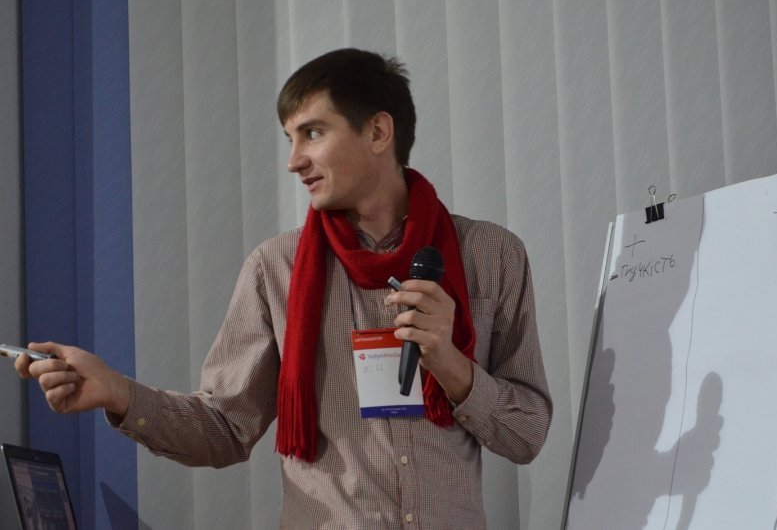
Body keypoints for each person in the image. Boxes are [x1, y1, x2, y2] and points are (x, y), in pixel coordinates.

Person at [17, 48, 552, 528]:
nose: (294, 160)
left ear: (377, 132)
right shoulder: (276, 268)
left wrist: (453, 367)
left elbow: (528, 433)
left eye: (312, 133)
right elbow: (225, 426)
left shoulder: (491, 255)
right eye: (289, 139)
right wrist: (117, 391)